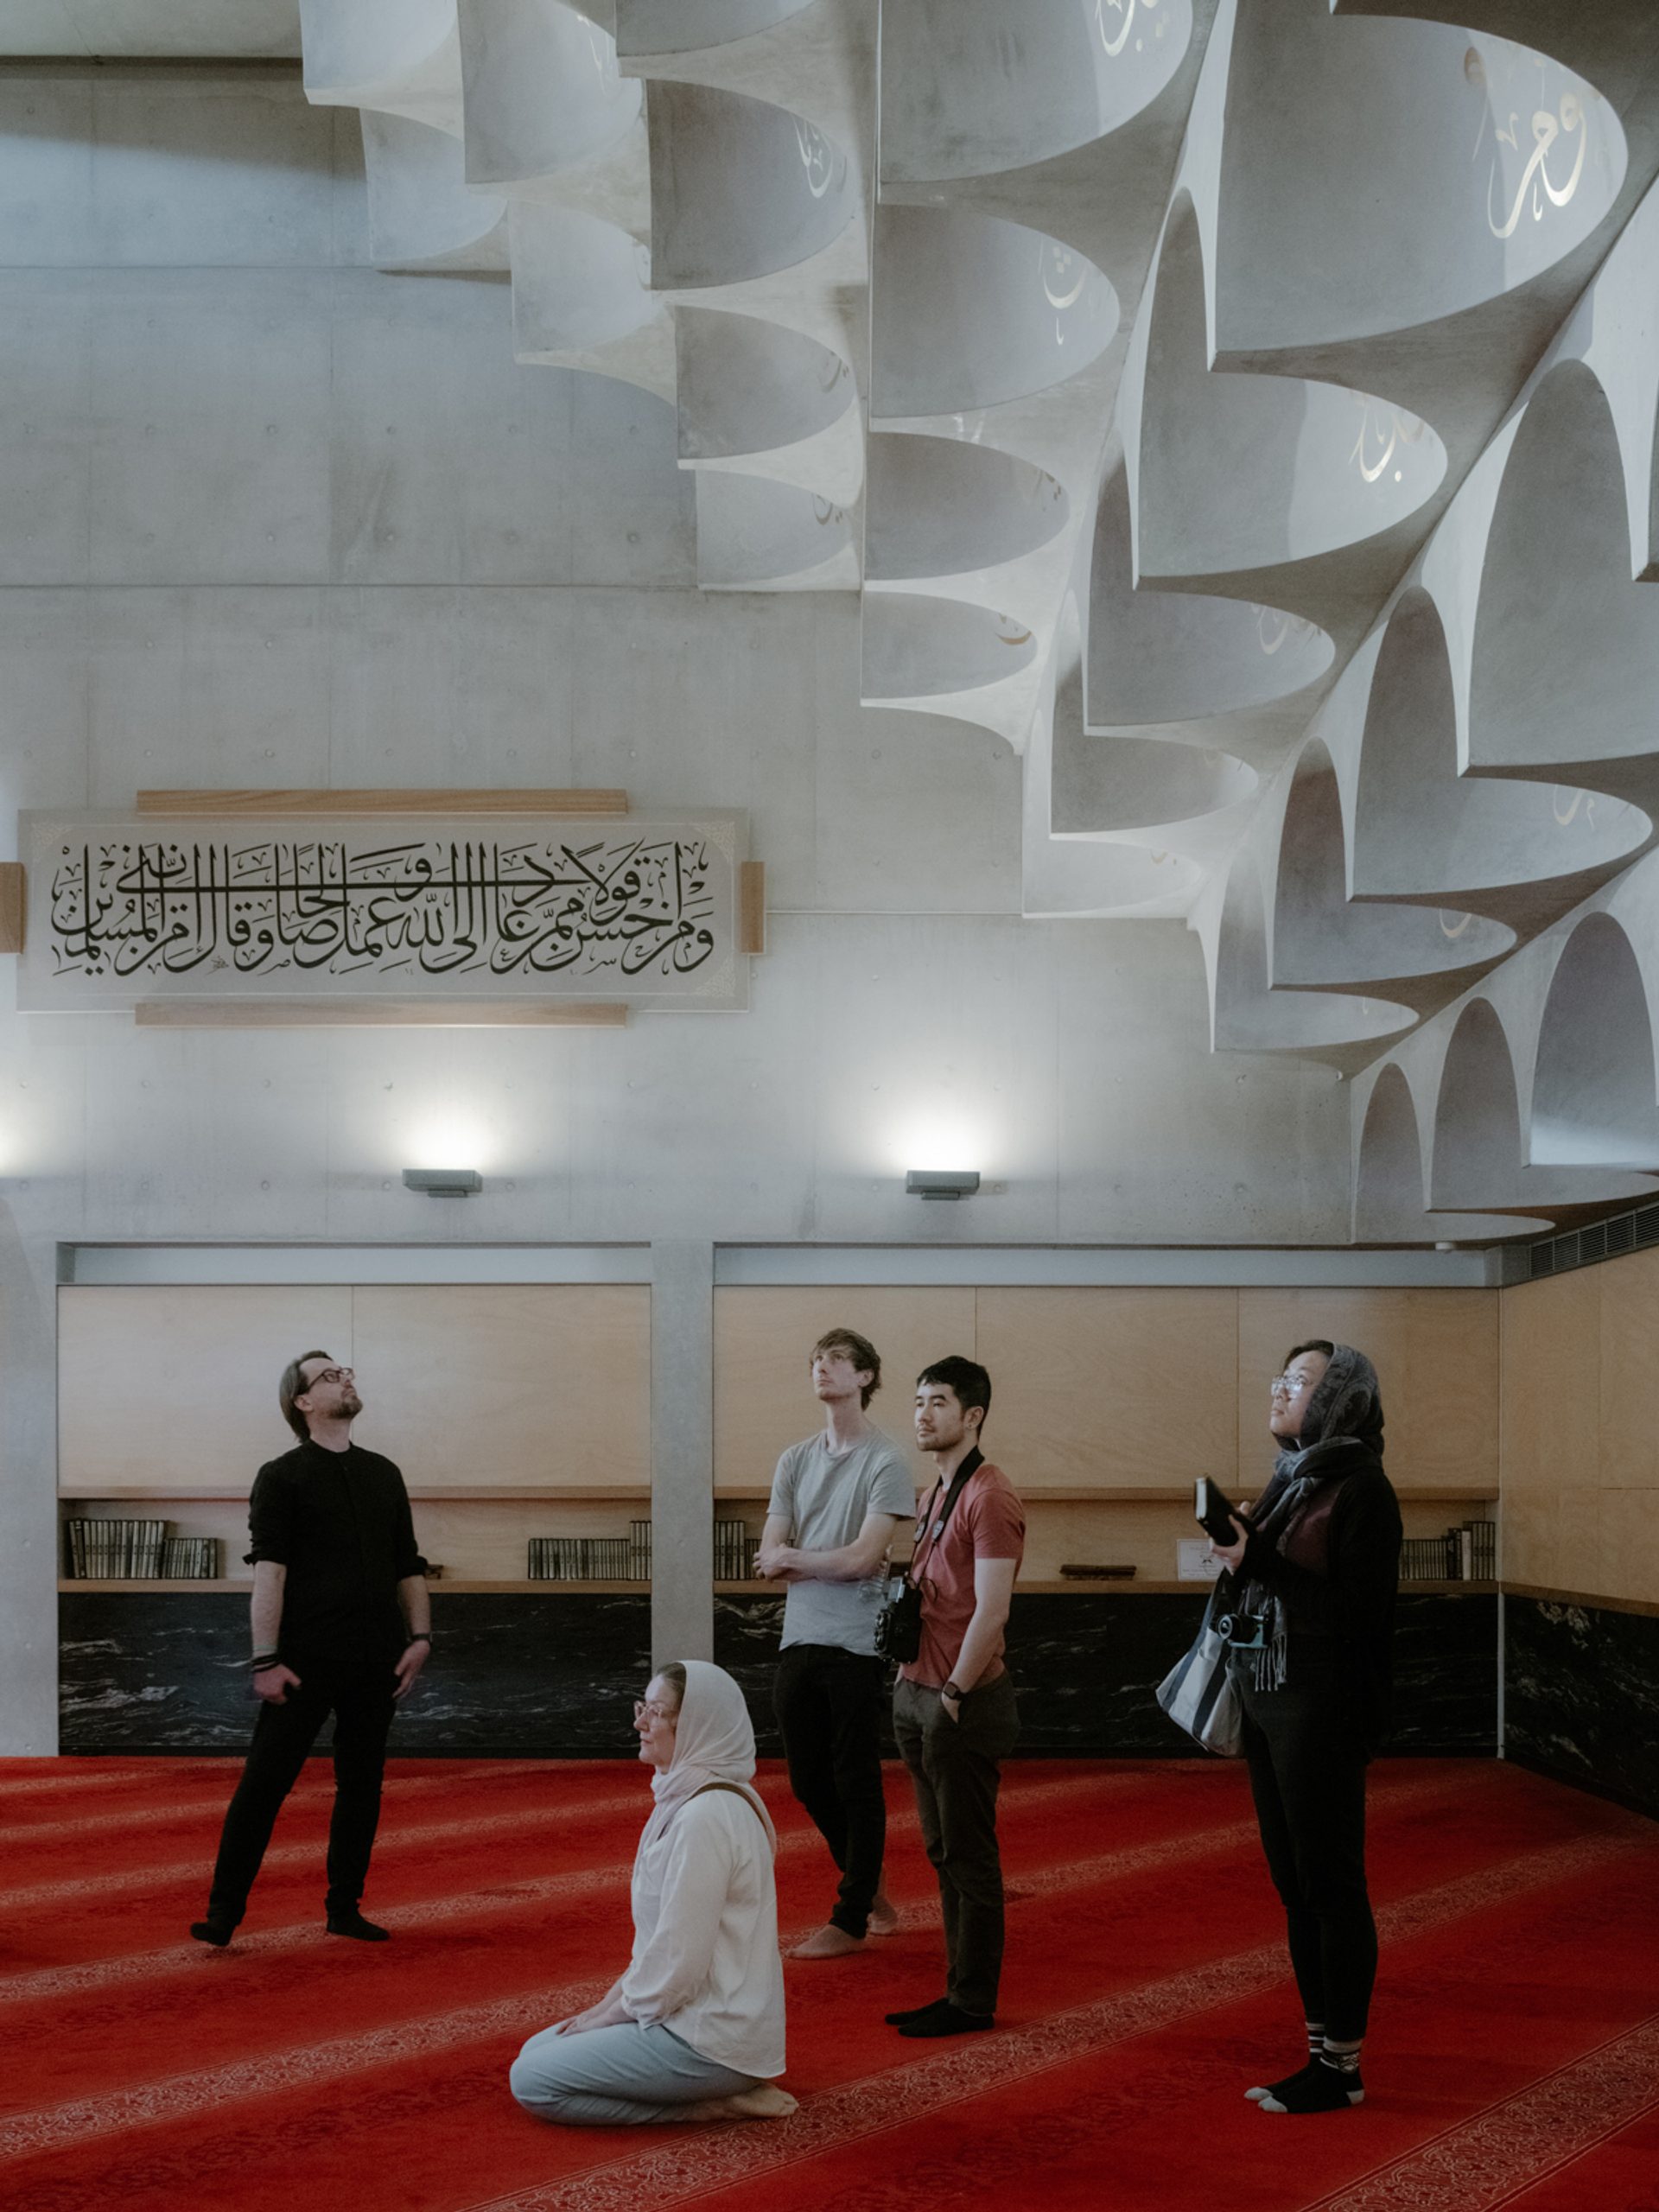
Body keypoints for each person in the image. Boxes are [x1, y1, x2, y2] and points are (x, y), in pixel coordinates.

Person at [1210, 1339, 1402, 2115]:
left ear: (1342, 1398)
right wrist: (1240, 1559)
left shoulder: (1362, 1490)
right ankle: (1320, 2050)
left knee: (1331, 1887)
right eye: (1280, 1374)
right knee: (1295, 1888)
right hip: (1271, 1702)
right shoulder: (1296, 1479)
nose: (1280, 1388)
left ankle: (1343, 2067)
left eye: (1300, 1380)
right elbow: (1263, 1589)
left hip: (1322, 1710)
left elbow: (1356, 1618)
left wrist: (1255, 1557)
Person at [189, 1351, 430, 1947]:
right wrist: (265, 1660)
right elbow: (270, 1574)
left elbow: (408, 1565)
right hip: (303, 1659)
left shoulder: (383, 1473)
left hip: (377, 1656)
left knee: (361, 1786)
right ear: (302, 1402)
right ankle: (224, 1914)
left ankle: (343, 1908)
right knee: (264, 1785)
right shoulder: (282, 1475)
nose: (345, 1378)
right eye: (329, 1376)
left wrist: (421, 1637)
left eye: (346, 1371)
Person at [510, 1660, 795, 2126]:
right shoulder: (692, 1795)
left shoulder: (705, 1816)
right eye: (644, 1707)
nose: (640, 1722)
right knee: (538, 2050)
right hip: (695, 2019)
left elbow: (679, 1961)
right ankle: (707, 2090)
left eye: (657, 1712)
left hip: (707, 2038)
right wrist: (601, 2010)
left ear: (697, 1724)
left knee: (534, 2082)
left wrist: (609, 2019)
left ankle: (709, 2104)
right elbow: (659, 1946)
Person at [753, 1327, 914, 1958]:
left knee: (855, 1778)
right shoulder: (794, 1459)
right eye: (817, 1360)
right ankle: (867, 1879)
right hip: (801, 1635)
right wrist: (814, 1558)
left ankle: (850, 1916)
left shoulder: (887, 1461)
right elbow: (771, 1558)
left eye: (839, 1360)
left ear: (866, 1377)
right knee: (805, 1780)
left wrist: (799, 1557)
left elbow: (866, 1558)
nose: (824, 1368)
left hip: (857, 1641)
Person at [886, 1355, 1024, 2038]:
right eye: (917, 1401)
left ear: (972, 1416)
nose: (922, 1413)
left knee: (969, 1856)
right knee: (943, 1853)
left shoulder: (989, 1495)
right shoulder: (935, 1492)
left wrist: (953, 1695)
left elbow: (991, 1612)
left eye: (938, 1402)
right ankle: (956, 1991)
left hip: (960, 1700)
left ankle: (973, 2001)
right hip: (916, 1689)